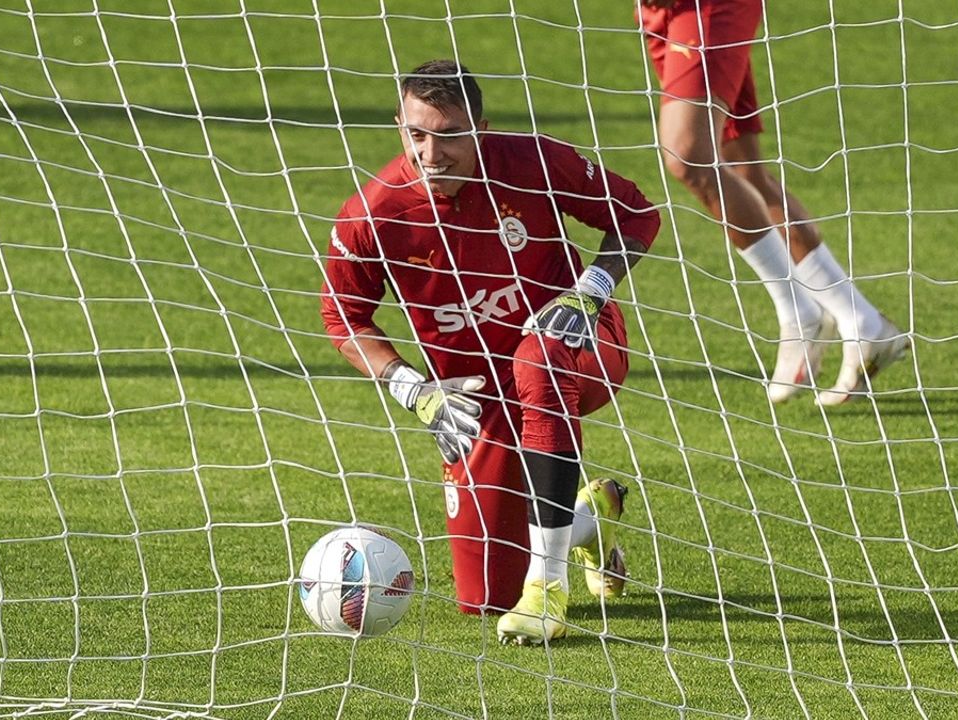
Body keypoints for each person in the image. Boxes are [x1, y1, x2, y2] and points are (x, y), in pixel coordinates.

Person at [320, 60, 661, 645]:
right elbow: (344, 318)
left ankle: (548, 589)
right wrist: (414, 390)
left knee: (538, 359)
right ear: (399, 125)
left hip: (578, 351)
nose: (431, 153)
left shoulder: (533, 162)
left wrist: (589, 291)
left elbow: (636, 214)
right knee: (483, 597)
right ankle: (589, 519)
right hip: (478, 402)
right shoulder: (372, 214)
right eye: (416, 133)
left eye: (450, 135)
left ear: (480, 128)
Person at [637, 0, 908, 405]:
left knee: (688, 155)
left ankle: (797, 310)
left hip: (705, 6)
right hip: (663, 11)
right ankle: (862, 320)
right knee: (741, 169)